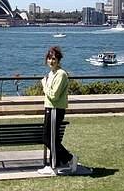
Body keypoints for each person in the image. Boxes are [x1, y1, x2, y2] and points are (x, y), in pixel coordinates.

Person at [37, 46, 78, 175]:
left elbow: (54, 95)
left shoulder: (61, 74)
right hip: (49, 108)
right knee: (49, 138)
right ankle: (59, 162)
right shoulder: (51, 73)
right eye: (49, 58)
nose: (51, 61)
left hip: (55, 109)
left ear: (59, 59)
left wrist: (44, 85)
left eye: (53, 58)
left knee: (49, 139)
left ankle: (65, 160)